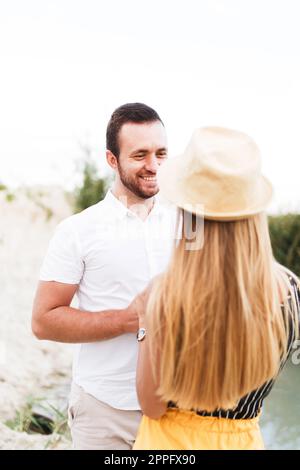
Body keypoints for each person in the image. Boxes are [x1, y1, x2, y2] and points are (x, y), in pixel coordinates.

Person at [133, 127, 300, 450]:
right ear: (254, 214)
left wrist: (144, 321)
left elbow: (151, 405)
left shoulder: (164, 295)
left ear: (188, 214)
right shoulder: (290, 292)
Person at [31, 103, 176, 450]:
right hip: (103, 412)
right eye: (140, 155)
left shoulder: (187, 224)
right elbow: (43, 321)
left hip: (177, 408)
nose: (153, 166)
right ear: (112, 159)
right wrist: (128, 321)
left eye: (161, 154)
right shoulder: (77, 231)